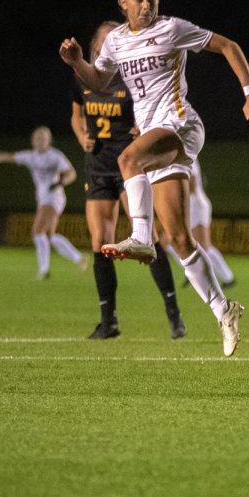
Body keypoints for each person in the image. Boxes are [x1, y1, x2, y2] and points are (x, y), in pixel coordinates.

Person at [59, 0, 249, 357]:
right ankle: (225, 310)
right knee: (180, 238)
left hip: (181, 124)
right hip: (158, 136)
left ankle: (140, 237)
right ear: (123, 3)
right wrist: (76, 62)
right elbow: (99, 81)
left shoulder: (172, 29)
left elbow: (228, 46)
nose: (147, 4)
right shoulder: (117, 41)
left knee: (128, 157)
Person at [71, 21, 186, 340]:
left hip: (127, 167)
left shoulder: (134, 79)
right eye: (107, 41)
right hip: (97, 168)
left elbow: (155, 110)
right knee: (100, 243)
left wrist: (144, 127)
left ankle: (173, 313)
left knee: (146, 239)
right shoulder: (84, 77)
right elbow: (76, 115)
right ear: (96, 46)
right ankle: (109, 321)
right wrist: (81, 136)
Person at [0, 127, 86, 279]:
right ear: (32, 140)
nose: (40, 140)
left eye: (43, 138)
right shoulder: (30, 156)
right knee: (50, 236)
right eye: (37, 137)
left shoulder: (55, 156)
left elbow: (72, 173)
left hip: (53, 198)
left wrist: (59, 183)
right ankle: (79, 258)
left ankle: (44, 271)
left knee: (37, 232)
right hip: (43, 199)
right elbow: (7, 157)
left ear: (49, 141)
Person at [186, 158, 237, 286]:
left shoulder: (187, 153)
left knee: (204, 246)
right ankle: (196, 272)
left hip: (196, 204)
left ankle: (227, 278)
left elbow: (192, 185)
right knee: (190, 245)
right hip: (191, 205)